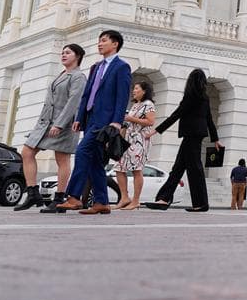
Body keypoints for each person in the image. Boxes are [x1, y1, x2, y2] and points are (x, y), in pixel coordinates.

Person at [51, 30, 132, 215]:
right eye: (99, 41)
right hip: (90, 119)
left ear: (115, 44)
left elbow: (122, 96)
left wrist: (117, 122)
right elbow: (87, 94)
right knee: (95, 161)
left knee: (82, 152)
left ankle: (73, 197)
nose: (100, 44)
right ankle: (101, 202)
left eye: (104, 41)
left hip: (105, 122)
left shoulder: (122, 67)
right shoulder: (95, 67)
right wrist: (79, 117)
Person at [18, 43, 87, 212]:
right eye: (62, 53)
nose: (63, 55)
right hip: (45, 123)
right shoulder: (62, 74)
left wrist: (59, 124)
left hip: (63, 124)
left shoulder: (78, 77)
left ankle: (59, 198)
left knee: (62, 159)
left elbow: (74, 102)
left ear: (77, 56)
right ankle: (33, 193)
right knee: (27, 152)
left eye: (68, 53)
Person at [144, 67, 222, 212]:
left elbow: (176, 115)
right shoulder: (204, 97)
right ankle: (164, 198)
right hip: (196, 135)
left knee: (195, 170)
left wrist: (155, 131)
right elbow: (209, 120)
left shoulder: (190, 96)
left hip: (191, 135)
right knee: (179, 168)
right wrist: (215, 139)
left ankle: (201, 204)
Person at [114, 80, 156, 210]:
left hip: (140, 139)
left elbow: (150, 121)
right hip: (127, 139)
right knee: (119, 167)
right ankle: (124, 197)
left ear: (144, 91)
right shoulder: (134, 105)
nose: (134, 91)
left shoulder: (148, 105)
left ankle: (136, 200)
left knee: (136, 169)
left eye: (137, 88)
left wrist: (131, 119)